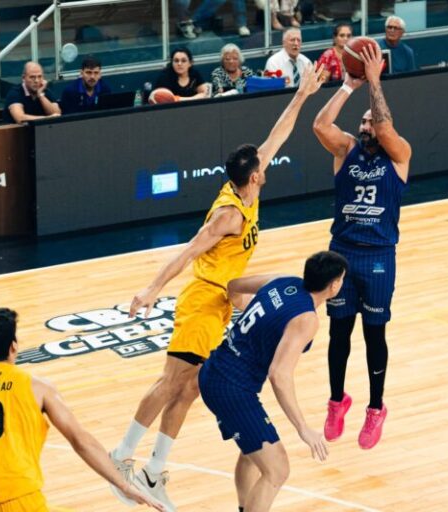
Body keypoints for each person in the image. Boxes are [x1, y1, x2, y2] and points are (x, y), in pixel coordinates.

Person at [109, 65, 325, 512]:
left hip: (223, 301)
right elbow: (188, 251)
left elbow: (278, 134)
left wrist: (303, 95)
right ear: (255, 178)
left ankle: (153, 470)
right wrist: (151, 289)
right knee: (172, 383)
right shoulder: (227, 215)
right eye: (261, 167)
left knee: (189, 389)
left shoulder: (250, 185)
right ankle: (119, 459)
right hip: (201, 300)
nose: (266, 167)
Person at [0, 308, 162, 512]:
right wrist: (124, 485)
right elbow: (80, 440)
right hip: (21, 499)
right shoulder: (39, 389)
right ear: (13, 346)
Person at [312, 43, 411, 450]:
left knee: (374, 336)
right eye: (364, 122)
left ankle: (375, 409)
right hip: (342, 254)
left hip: (378, 257)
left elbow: (387, 128)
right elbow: (320, 125)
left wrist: (374, 81)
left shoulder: (399, 154)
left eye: (373, 120)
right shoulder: (347, 149)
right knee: (338, 334)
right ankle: (337, 401)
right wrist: (349, 86)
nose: (369, 125)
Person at [199, 250, 348, 512]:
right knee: (277, 470)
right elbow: (279, 375)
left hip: (215, 370)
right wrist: (303, 427)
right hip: (231, 388)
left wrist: (259, 318)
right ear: (334, 285)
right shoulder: (306, 319)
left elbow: (233, 287)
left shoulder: (281, 281)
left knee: (252, 453)